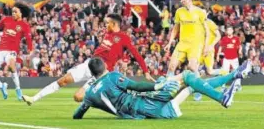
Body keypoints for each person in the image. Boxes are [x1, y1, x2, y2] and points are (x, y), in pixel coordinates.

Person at [22, 13, 154, 105]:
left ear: (114, 24)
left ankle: (103, 96)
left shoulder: (123, 37)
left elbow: (136, 54)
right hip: (89, 64)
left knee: (78, 97)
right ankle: (33, 99)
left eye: (107, 23)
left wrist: (146, 71)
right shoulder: (107, 34)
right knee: (63, 80)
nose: (105, 24)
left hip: (101, 72)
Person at [73, 57, 251, 120]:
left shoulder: (89, 94)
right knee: (188, 76)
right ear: (104, 67)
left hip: (136, 110)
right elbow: (136, 85)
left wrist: (80, 113)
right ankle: (223, 96)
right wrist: (156, 85)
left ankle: (234, 75)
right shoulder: (112, 76)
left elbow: (77, 115)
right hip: (144, 103)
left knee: (188, 84)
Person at [164, 0, 210, 100]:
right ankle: (166, 89)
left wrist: (207, 45)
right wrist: (170, 42)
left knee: (192, 67)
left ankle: (198, 89)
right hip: (182, 43)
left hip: (195, 44)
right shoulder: (179, 12)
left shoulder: (200, 12)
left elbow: (207, 30)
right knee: (171, 66)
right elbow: (176, 28)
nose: (181, 0)